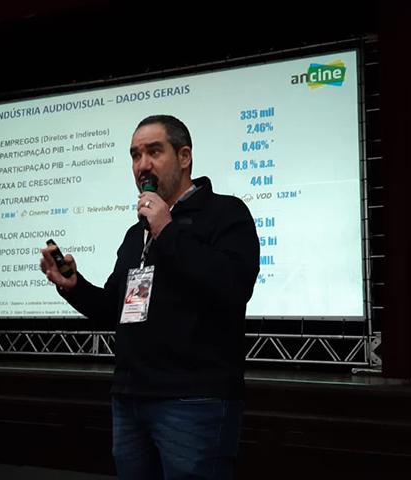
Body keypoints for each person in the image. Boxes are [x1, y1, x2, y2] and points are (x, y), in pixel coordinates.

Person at [40, 115, 259, 480]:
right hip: (130, 399)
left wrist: (167, 230)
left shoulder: (225, 213)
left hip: (193, 401)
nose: (142, 164)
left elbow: (234, 286)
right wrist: (73, 285)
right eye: (135, 155)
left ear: (184, 156)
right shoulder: (134, 235)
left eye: (154, 152)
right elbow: (113, 309)